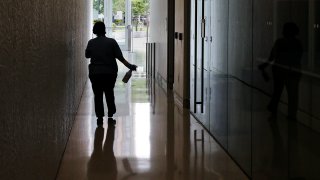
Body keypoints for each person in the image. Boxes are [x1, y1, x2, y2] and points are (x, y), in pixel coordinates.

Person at [85, 21, 137, 125]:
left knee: (98, 95)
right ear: (104, 29)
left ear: (94, 30)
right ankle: (110, 116)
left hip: (95, 74)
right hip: (109, 73)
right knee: (109, 93)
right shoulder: (112, 42)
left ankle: (99, 118)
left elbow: (87, 56)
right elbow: (120, 58)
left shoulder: (91, 42)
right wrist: (130, 66)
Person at [259, 22, 303, 121]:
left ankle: (273, 110)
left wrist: (264, 66)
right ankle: (292, 116)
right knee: (293, 96)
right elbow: (299, 57)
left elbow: (272, 57)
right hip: (293, 73)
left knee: (277, 92)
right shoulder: (297, 43)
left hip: (280, 72)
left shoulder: (280, 42)